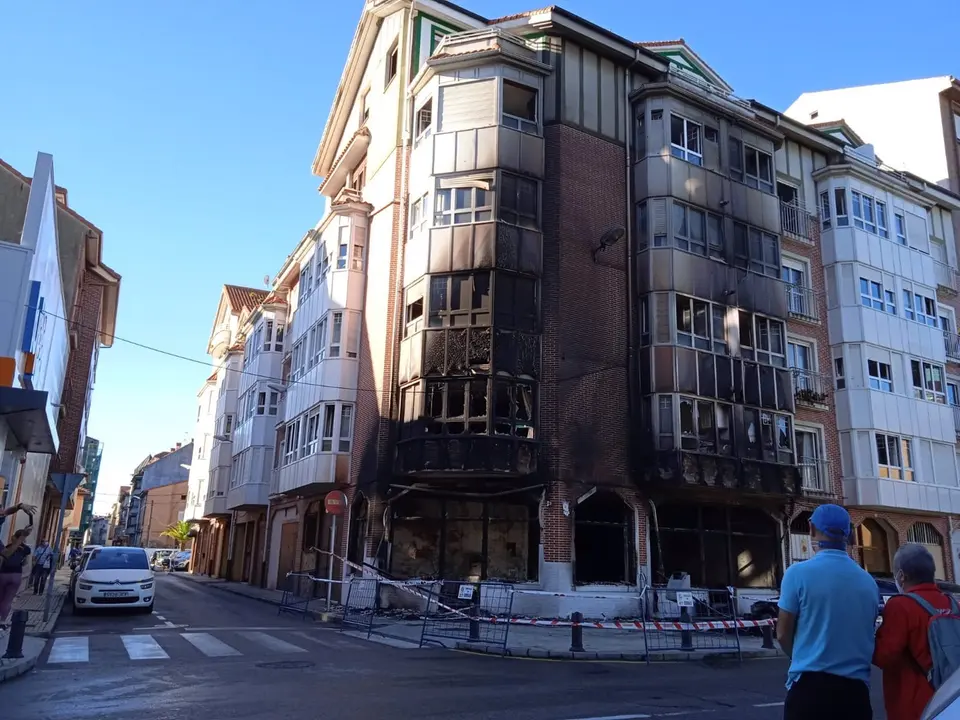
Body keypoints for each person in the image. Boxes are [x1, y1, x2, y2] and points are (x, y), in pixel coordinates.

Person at [777, 504, 879, 720]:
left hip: (810, 690)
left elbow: (782, 633)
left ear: (811, 528)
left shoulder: (797, 574)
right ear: (849, 534)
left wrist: (803, 656)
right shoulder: (868, 582)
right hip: (855, 693)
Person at [873, 543, 955, 720]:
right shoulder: (952, 604)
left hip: (913, 706)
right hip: (949, 702)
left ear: (901, 575)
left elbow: (884, 656)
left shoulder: (900, 606)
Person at [0, 526, 32, 629]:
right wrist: (23, 576)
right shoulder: (26, 550)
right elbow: (27, 564)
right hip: (16, 575)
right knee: (8, 600)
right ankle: (2, 622)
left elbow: (2, 560)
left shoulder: (8, 547)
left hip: (3, 574)